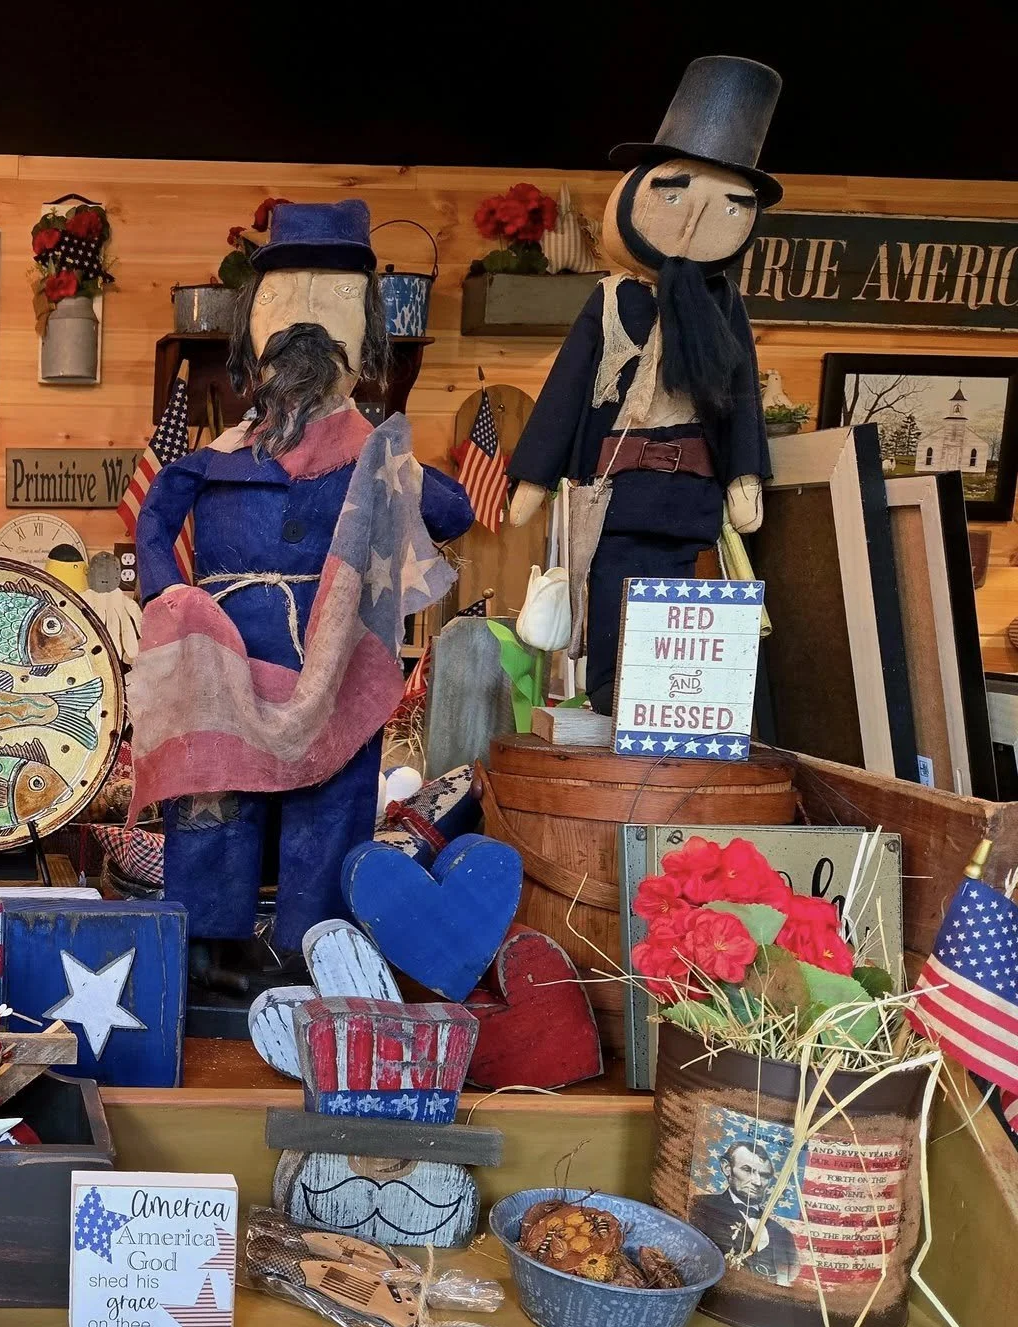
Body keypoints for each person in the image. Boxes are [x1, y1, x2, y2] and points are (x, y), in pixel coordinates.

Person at [130, 201, 473, 987]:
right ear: (252, 325)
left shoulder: (372, 461)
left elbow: (452, 510)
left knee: (330, 802)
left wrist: (394, 466)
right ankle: (206, 946)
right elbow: (154, 518)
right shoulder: (217, 460)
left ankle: (311, 945)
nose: (309, 323)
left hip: (334, 669)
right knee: (216, 799)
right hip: (226, 668)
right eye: (288, 300)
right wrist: (171, 600)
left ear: (369, 332)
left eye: (335, 301)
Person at [504, 56, 780, 712]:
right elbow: (567, 390)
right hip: (616, 491)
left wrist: (743, 475)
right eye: (674, 196)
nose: (692, 221)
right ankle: (609, 697)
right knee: (610, 589)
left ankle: (661, 703)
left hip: (688, 496)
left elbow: (740, 397)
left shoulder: (725, 309)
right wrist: (534, 477)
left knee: (677, 605)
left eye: (725, 205)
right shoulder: (609, 301)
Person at [689, 1140, 800, 1285]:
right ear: (727, 1168)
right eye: (747, 1170)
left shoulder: (782, 1234)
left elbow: (790, 1279)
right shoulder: (701, 1207)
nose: (757, 1182)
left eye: (765, 1175)